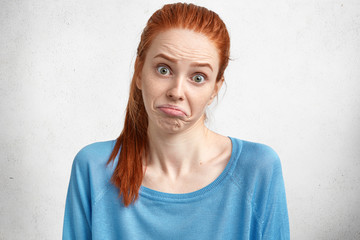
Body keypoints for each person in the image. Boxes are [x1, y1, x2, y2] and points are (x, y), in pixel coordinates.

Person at [62, 3, 290, 239]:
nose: (177, 91)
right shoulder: (93, 167)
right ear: (139, 72)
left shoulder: (257, 168)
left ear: (215, 89)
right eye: (163, 70)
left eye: (198, 77)